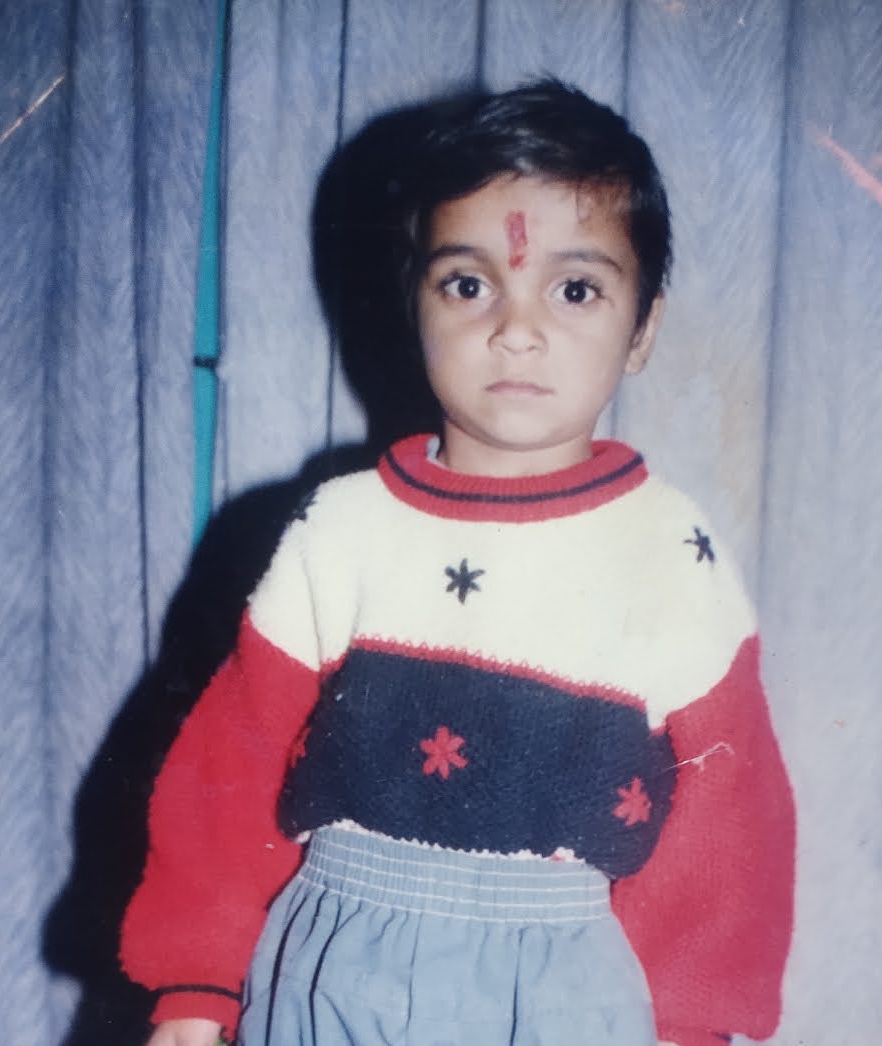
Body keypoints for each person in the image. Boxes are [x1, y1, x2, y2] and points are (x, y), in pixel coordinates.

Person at [120, 79, 796, 1046]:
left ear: (642, 329)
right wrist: (195, 982)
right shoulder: (341, 531)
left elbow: (731, 828)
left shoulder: (672, 557)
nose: (516, 329)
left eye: (575, 289)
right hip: (331, 971)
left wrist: (695, 1025)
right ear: (415, 308)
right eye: (470, 283)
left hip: (564, 994)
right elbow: (230, 766)